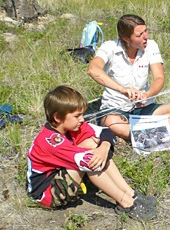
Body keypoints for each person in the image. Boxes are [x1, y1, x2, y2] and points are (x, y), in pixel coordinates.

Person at [26, 85, 157, 221]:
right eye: (77, 116)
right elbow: (87, 162)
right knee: (92, 159)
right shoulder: (51, 142)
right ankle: (126, 202)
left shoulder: (71, 126)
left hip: (62, 172)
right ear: (58, 118)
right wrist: (101, 150)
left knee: (90, 143)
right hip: (48, 192)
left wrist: (105, 146)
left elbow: (106, 131)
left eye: (82, 114)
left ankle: (130, 194)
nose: (82, 119)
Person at [87, 14, 170, 141]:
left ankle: (131, 136)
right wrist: (122, 89)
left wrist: (147, 95)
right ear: (125, 38)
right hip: (117, 110)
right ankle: (163, 135)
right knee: (112, 123)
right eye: (139, 35)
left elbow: (159, 78)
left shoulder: (151, 46)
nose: (145, 37)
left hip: (143, 109)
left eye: (145, 31)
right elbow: (93, 69)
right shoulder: (110, 47)